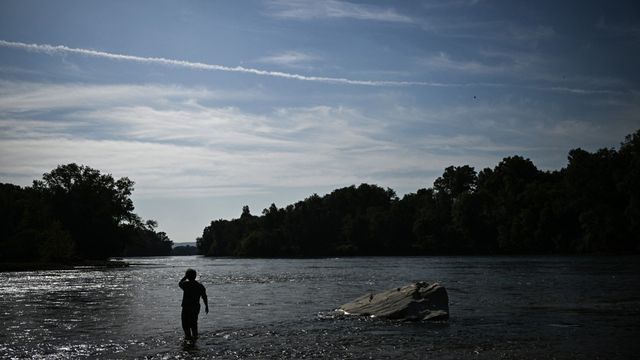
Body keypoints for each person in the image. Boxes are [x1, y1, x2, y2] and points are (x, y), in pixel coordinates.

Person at [179, 268, 208, 340]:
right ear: (195, 276)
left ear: (187, 276)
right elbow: (204, 297)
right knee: (194, 323)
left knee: (185, 324)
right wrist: (206, 306)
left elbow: (180, 283)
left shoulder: (185, 284)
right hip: (195, 307)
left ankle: (188, 338)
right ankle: (195, 338)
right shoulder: (200, 286)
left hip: (186, 307)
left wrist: (185, 277)